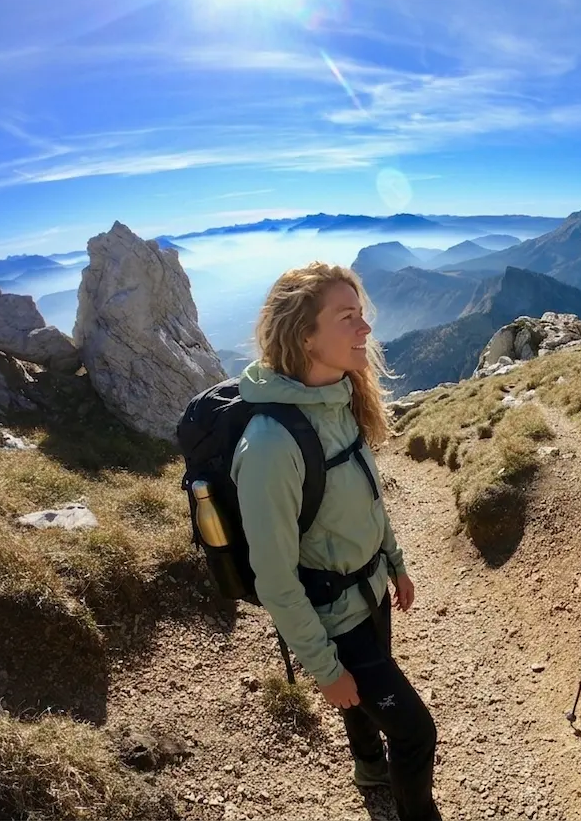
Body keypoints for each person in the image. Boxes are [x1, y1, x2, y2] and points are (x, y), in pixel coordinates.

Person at [230, 262, 441, 821]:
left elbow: (366, 498)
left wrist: (394, 563)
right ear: (305, 335)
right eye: (347, 318)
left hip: (369, 588)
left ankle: (370, 767)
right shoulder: (272, 445)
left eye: (362, 315)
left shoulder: (337, 402)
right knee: (417, 734)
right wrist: (324, 669)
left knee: (365, 697)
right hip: (333, 613)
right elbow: (273, 579)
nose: (365, 330)